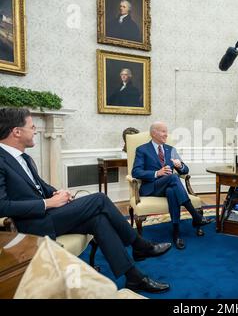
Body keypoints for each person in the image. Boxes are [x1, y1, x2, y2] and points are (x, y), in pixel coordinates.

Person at [0, 108, 171, 293]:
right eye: (32, 127)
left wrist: (58, 193)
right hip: (34, 225)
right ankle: (139, 245)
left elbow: (39, 186)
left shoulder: (22, 157)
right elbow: (2, 206)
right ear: (16, 132)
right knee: (99, 199)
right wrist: (48, 203)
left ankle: (133, 277)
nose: (35, 130)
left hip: (48, 215)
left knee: (99, 220)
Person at [131, 122, 212, 250]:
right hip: (152, 187)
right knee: (174, 178)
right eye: (163, 131)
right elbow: (136, 172)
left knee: (171, 191)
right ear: (153, 133)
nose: (166, 134)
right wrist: (157, 173)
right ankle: (195, 216)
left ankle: (176, 233)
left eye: (166, 131)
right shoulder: (142, 149)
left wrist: (180, 166)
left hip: (169, 186)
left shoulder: (170, 149)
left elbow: (185, 171)